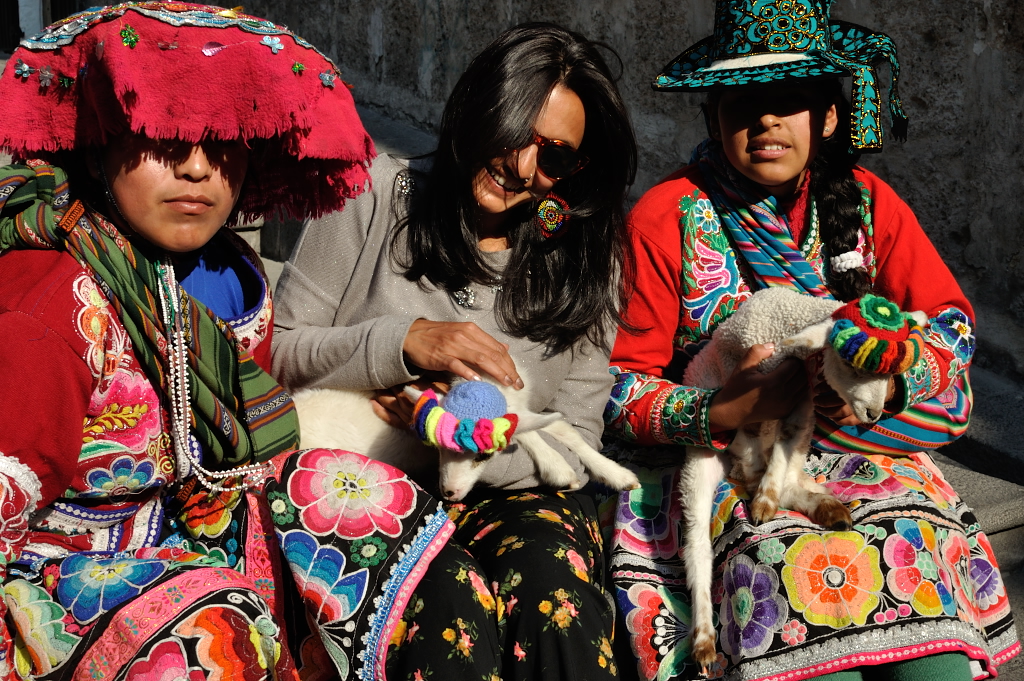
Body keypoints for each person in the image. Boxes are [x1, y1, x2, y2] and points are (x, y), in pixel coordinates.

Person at [0, 4, 485, 680]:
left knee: (390, 522)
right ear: (98, 142)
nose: (198, 168)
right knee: (212, 636)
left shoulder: (232, 274)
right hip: (61, 577)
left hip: (204, 531)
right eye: (163, 135)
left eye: (222, 141)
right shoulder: (50, 307)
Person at [602, 1, 1019, 680]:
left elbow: (952, 327)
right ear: (713, 116)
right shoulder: (667, 217)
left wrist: (887, 370)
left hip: (869, 453)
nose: (765, 119)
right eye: (742, 100)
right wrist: (722, 410)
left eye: (789, 99)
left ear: (827, 116)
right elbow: (614, 388)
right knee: (791, 589)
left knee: (928, 624)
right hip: (735, 471)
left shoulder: (869, 204)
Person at [271, 22, 637, 681]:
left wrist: (457, 438)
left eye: (554, 156)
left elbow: (576, 437)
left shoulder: (584, 258)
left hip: (514, 492)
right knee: (446, 610)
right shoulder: (377, 194)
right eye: (516, 130)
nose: (525, 166)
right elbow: (281, 351)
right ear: (480, 106)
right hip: (369, 482)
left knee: (561, 602)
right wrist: (405, 342)